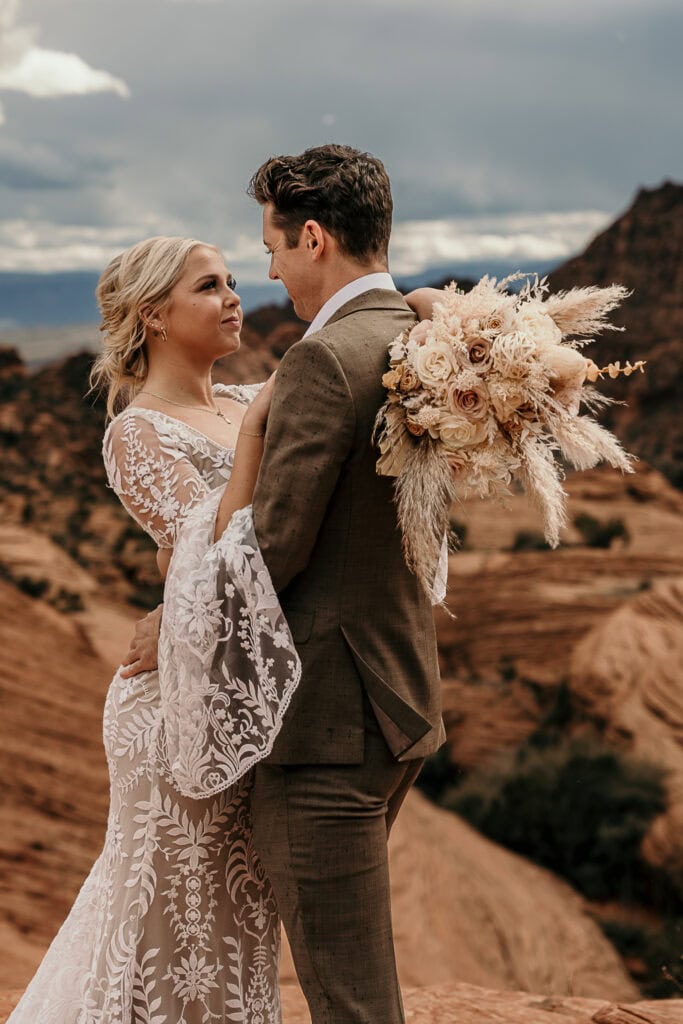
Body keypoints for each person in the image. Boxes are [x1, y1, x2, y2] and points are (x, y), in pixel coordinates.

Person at [8, 236, 296, 1024]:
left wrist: (426, 307)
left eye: (234, 280)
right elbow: (211, 554)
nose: (235, 296)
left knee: (236, 916)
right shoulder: (138, 432)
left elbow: (344, 369)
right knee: (169, 921)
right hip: (171, 713)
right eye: (210, 285)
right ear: (154, 317)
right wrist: (177, 604)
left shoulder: (242, 401)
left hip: (224, 684)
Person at [246, 144, 445, 1024]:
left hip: (323, 724)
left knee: (351, 1001)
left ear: (314, 237)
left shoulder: (322, 362)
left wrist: (168, 612)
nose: (273, 268)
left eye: (274, 248)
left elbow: (271, 547)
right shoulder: (430, 341)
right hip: (397, 697)